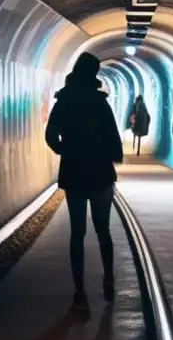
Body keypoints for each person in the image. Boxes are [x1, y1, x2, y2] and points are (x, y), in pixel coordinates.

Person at [45, 52, 124, 309]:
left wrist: (64, 150)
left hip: (74, 173)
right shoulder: (100, 103)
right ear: (94, 74)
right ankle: (109, 277)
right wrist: (111, 156)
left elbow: (50, 134)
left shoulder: (64, 100)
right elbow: (113, 138)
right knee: (103, 231)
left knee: (77, 232)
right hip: (100, 173)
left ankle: (79, 290)